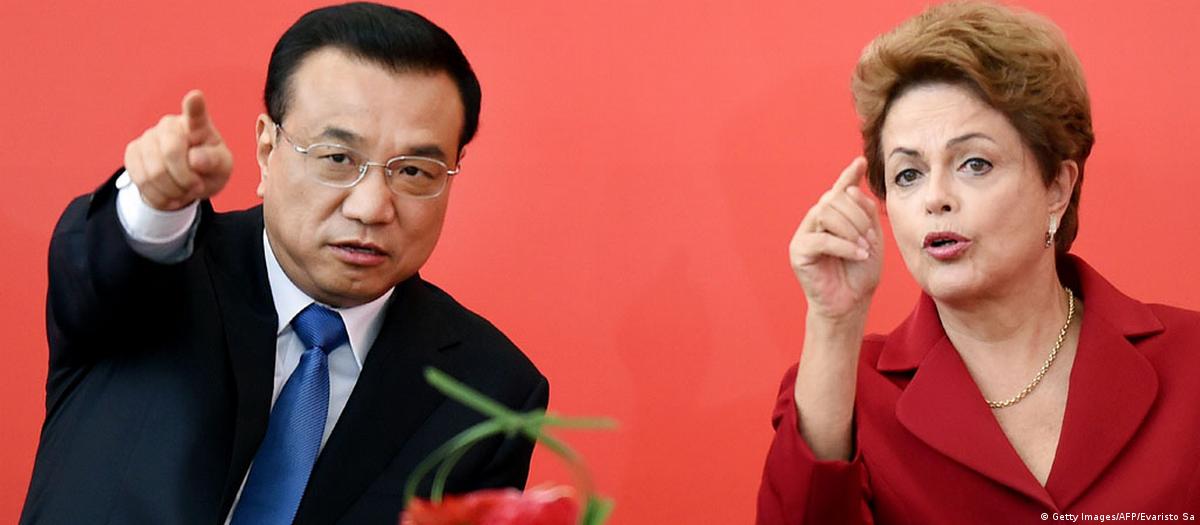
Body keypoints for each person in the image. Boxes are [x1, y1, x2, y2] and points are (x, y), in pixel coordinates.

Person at [21, 3, 547, 524]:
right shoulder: (163, 274)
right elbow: (101, 264)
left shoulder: (490, 389)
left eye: (413, 171)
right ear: (266, 149)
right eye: (338, 159)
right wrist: (156, 203)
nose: (371, 208)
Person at [757, 2, 1200, 523]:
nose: (935, 198)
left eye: (974, 163)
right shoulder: (845, 393)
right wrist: (834, 323)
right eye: (908, 174)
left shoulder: (1189, 360)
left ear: (1057, 188)